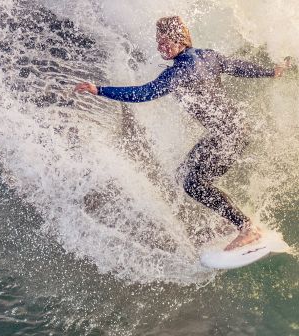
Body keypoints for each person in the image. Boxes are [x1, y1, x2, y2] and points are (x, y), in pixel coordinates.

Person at [74, 16, 290, 251]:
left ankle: (246, 228)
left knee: (193, 182)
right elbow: (238, 66)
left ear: (180, 40)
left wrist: (100, 90)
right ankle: (234, 219)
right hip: (234, 129)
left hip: (227, 134)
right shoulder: (209, 55)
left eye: (165, 42)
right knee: (185, 175)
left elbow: (142, 93)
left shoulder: (177, 73)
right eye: (158, 42)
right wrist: (271, 72)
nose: (160, 47)